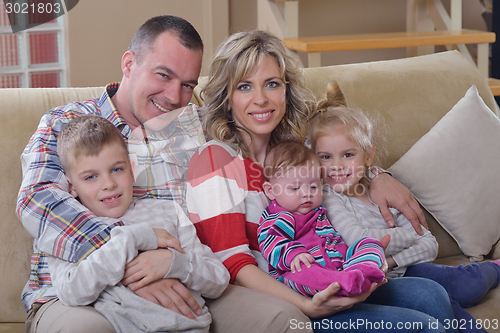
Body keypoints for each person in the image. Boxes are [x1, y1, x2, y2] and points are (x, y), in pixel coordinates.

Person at [18, 16, 311, 333]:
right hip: (81, 294)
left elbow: (273, 142)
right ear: (129, 63)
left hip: (189, 283)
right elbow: (39, 201)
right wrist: (130, 261)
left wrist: (364, 177)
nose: (174, 96)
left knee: (287, 322)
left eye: (187, 85)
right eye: (163, 75)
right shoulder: (67, 123)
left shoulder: (201, 125)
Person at [186, 29, 458, 332]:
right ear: (226, 97)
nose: (261, 99)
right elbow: (234, 264)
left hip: (336, 271)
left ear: (286, 91)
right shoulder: (214, 160)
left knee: (432, 295)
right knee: (422, 325)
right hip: (290, 290)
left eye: (272, 84)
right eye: (245, 86)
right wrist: (306, 306)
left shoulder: (293, 149)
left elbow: (346, 168)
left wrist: (379, 175)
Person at [309, 82, 500, 333]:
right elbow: (359, 240)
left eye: (347, 155)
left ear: (368, 156)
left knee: (465, 287)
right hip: (376, 282)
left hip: (405, 269)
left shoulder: (383, 192)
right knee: (442, 298)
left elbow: (430, 245)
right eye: (325, 157)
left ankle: (492, 269)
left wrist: (389, 260)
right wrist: (410, 237)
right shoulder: (329, 197)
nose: (336, 166)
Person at [47, 115, 229, 333]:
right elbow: (72, 291)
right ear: (72, 186)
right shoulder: (66, 227)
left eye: (116, 169)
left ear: (132, 170)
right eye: (90, 177)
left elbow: (218, 279)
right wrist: (132, 238)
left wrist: (175, 263)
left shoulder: (167, 211)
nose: (109, 184)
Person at [257, 139, 386, 297]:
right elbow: (270, 241)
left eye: (313, 186)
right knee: (303, 273)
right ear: (271, 191)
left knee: (370, 243)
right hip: (303, 271)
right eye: (295, 188)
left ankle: (360, 273)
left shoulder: (318, 211)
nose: (307, 193)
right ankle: (345, 283)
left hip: (341, 265)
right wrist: (293, 255)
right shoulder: (282, 216)